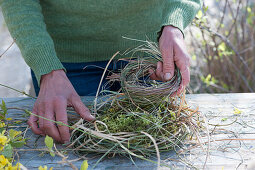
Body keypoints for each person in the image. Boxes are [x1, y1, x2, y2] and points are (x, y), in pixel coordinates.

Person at [0, 0, 201, 143]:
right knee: (70, 150)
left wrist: (174, 22)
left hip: (149, 61)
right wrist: (47, 67)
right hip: (64, 68)